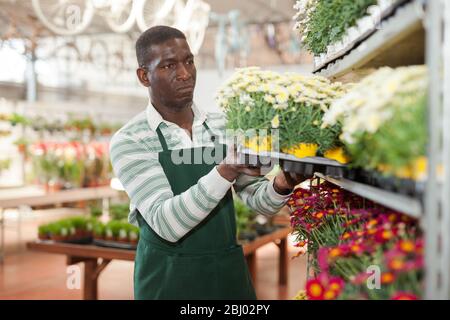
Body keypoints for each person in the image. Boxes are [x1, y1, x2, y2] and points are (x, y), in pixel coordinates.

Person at [109, 26, 308, 300]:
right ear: (145, 76)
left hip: (225, 272)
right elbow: (167, 223)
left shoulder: (222, 126)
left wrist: (283, 183)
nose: (185, 74)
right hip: (167, 279)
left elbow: (257, 200)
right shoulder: (131, 140)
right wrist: (225, 170)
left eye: (188, 61)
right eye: (169, 65)